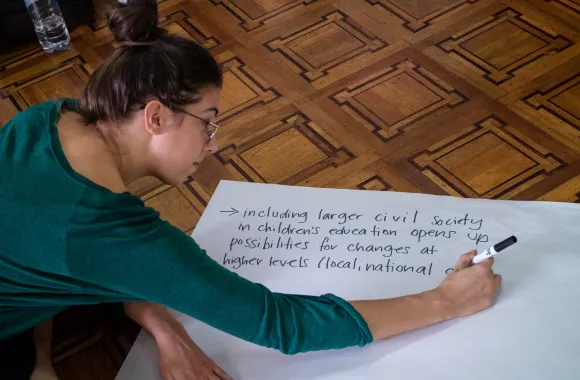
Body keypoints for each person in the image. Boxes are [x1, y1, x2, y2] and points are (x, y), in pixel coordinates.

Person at [0, 0, 502, 379]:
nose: (212, 145)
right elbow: (281, 324)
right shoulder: (114, 233)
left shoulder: (49, 116)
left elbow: (95, 259)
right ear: (155, 116)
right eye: (208, 124)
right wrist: (446, 302)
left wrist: (166, 327)